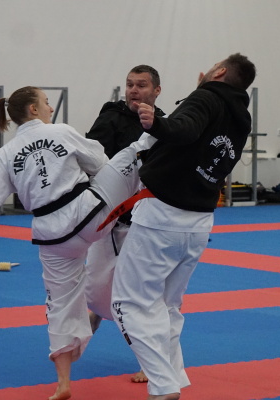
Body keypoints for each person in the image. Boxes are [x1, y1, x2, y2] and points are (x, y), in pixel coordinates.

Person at [0, 86, 155, 400]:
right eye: (46, 102)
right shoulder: (60, 131)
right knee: (129, 155)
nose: (50, 107)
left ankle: (63, 383)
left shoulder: (5, 154)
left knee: (60, 307)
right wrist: (106, 182)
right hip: (92, 216)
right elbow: (98, 161)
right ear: (33, 110)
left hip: (52, 237)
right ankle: (161, 153)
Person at [110, 53, 256, 400]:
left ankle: (163, 384)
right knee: (167, 305)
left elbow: (185, 128)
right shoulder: (240, 117)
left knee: (127, 303)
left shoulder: (206, 97)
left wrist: (156, 124)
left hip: (162, 216)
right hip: (199, 221)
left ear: (220, 71)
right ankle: (173, 375)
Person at [84, 65, 165, 384]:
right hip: (110, 218)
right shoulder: (111, 118)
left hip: (148, 220)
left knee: (144, 294)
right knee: (96, 289)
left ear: (157, 90)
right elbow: (90, 160)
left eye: (141, 85)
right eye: (130, 84)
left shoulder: (166, 124)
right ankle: (91, 320)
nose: (134, 90)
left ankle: (151, 361)